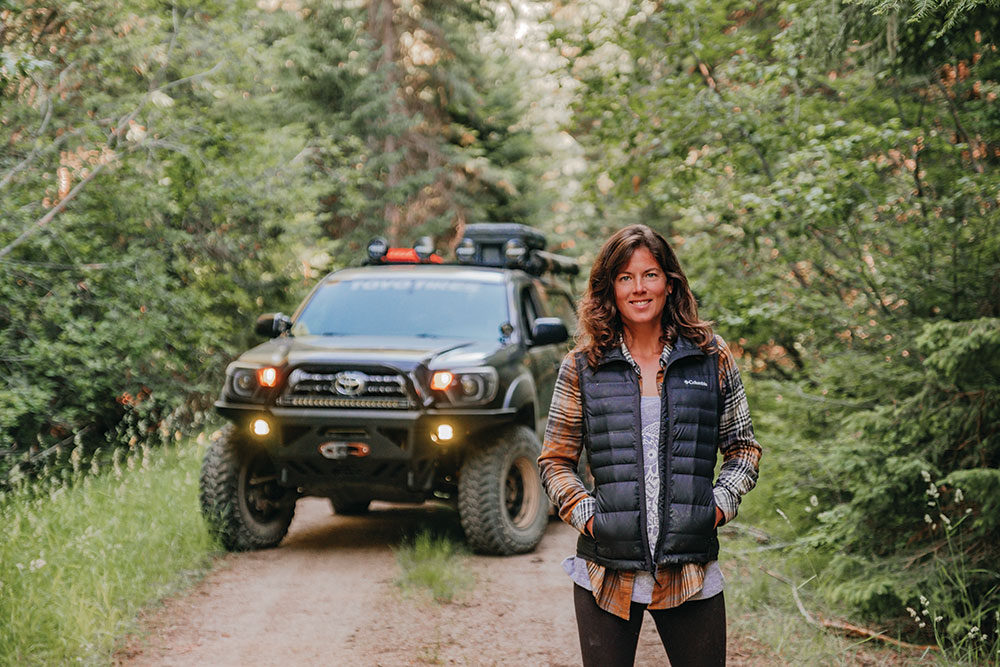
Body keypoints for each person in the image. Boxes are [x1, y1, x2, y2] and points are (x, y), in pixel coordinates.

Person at [538, 224, 762, 667]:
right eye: (625, 277)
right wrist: (591, 519)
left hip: (690, 571)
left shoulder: (710, 356)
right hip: (606, 573)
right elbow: (555, 461)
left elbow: (743, 449)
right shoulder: (582, 366)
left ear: (669, 283)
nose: (639, 288)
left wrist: (716, 507)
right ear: (610, 289)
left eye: (650, 274)